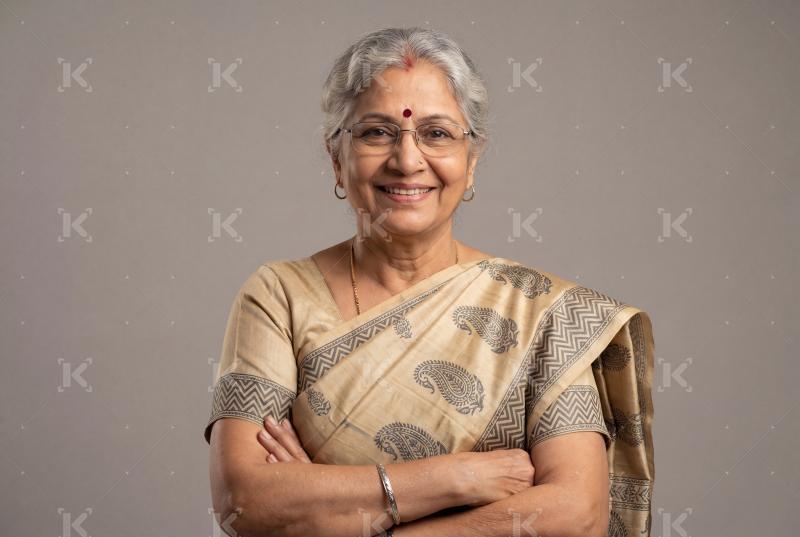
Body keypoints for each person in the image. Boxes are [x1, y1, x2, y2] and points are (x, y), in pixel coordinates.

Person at [204, 26, 655, 537]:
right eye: (376, 132)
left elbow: (576, 514)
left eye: (437, 133)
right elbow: (244, 500)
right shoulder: (279, 296)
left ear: (472, 159)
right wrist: (454, 479)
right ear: (336, 158)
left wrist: (334, 509)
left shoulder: (542, 315)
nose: (407, 160)